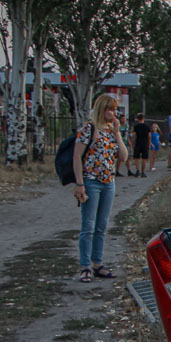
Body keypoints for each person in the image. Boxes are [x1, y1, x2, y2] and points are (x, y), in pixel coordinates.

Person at [72, 93, 127, 283]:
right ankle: (85, 266)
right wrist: (80, 184)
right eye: (110, 109)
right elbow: (77, 157)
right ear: (101, 109)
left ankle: (98, 263)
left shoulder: (111, 131)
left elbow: (124, 156)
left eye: (114, 109)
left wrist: (118, 133)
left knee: (102, 225)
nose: (113, 113)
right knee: (88, 225)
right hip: (91, 181)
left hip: (108, 182)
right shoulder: (89, 128)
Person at [131, 112, 150, 178]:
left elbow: (133, 135)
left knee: (137, 157)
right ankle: (143, 172)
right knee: (144, 158)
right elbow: (149, 136)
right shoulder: (147, 126)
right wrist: (149, 143)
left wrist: (132, 143)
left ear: (137, 119)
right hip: (145, 143)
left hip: (138, 142)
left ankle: (137, 170)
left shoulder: (136, 126)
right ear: (143, 118)